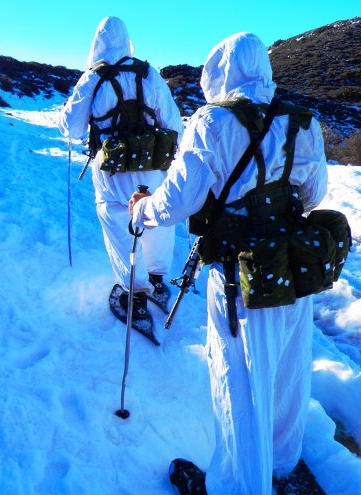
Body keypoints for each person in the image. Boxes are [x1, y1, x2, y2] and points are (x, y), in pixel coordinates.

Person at [128, 32, 328, 494]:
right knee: (286, 370)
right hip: (291, 268)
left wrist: (142, 209)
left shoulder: (211, 122)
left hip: (239, 277)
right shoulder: (303, 122)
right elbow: (313, 196)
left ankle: (237, 485)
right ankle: (280, 462)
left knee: (239, 380)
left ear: (219, 70)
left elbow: (178, 202)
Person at [59, 16, 183, 331]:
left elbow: (70, 128)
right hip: (153, 164)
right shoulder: (149, 73)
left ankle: (133, 294)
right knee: (155, 219)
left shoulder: (93, 78)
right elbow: (174, 125)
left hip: (112, 170)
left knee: (118, 223)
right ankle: (157, 280)